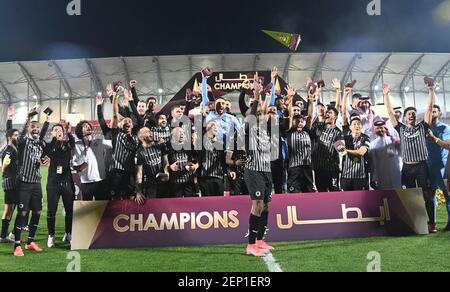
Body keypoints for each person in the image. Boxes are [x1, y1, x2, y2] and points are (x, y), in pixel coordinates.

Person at [384, 83, 436, 233]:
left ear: (416, 116)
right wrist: (386, 94)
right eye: (409, 114)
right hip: (406, 168)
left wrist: (431, 89)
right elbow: (390, 111)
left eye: (413, 113)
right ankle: (415, 224)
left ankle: (431, 223)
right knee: (410, 197)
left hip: (421, 166)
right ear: (406, 117)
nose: (411, 115)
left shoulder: (423, 126)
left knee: (426, 196)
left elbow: (429, 107)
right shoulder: (400, 128)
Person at [12, 108, 50, 257]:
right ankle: (17, 246)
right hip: (23, 183)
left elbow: (44, 157)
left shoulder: (40, 144)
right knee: (22, 213)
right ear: (29, 129)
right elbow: (20, 135)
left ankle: (30, 242)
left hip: (36, 184)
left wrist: (47, 160)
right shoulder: (23, 141)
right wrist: (28, 118)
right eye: (33, 127)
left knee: (37, 211)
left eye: (37, 127)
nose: (35, 129)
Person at [244, 79, 274, 257]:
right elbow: (255, 112)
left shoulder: (265, 131)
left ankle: (261, 240)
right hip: (253, 170)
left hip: (266, 170)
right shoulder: (248, 128)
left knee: (266, 206)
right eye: (258, 114)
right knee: (257, 205)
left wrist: (266, 95)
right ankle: (251, 245)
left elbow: (264, 110)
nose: (262, 115)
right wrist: (256, 96)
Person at [100, 88, 140, 200]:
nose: (127, 122)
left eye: (129, 122)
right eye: (124, 121)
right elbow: (114, 114)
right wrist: (114, 99)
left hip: (129, 172)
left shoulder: (136, 139)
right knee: (115, 197)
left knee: (131, 197)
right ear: (120, 124)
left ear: (132, 126)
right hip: (116, 172)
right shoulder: (117, 133)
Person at [72, 96, 112, 201]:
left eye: (89, 125)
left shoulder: (98, 141)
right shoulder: (76, 145)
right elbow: (73, 165)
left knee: (102, 210)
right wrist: (78, 167)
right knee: (88, 211)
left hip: (100, 181)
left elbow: (115, 143)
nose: (88, 127)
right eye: (85, 126)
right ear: (80, 130)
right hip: (86, 182)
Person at [44, 123, 75, 247]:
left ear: (63, 132)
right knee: (51, 211)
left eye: (59, 130)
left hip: (66, 181)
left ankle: (68, 234)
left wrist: (69, 132)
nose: (58, 131)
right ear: (52, 133)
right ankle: (51, 236)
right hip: (53, 183)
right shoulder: (50, 145)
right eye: (55, 130)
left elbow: (72, 143)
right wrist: (55, 139)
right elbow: (47, 151)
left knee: (69, 210)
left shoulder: (67, 145)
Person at [284, 84, 316, 193]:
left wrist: (311, 100)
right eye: (297, 120)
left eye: (302, 121)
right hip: (294, 169)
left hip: (307, 168)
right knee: (294, 195)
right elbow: (290, 114)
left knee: (309, 194)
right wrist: (291, 97)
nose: (300, 122)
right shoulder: (290, 131)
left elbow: (310, 116)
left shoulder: (307, 130)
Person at [426, 106, 450, 231]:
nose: (432, 113)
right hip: (429, 167)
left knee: (448, 195)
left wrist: (434, 138)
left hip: (443, 168)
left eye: (434, 111)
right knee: (430, 196)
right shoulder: (424, 128)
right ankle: (432, 224)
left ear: (440, 113)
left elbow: (448, 145)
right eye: (430, 111)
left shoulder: (445, 128)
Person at [135, 127, 168, 203]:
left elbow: (165, 162)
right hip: (150, 186)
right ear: (141, 136)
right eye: (148, 131)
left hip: (162, 182)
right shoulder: (139, 153)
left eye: (151, 131)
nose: (151, 133)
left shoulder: (160, 145)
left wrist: (167, 172)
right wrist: (138, 191)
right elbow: (139, 173)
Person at [0, 108, 19, 243]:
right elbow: (4, 166)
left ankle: (6, 234)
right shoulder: (8, 150)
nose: (17, 137)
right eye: (15, 135)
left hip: (13, 181)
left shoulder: (13, 148)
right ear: (10, 137)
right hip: (10, 182)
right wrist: (4, 168)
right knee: (8, 209)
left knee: (12, 208)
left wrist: (10, 118)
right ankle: (3, 235)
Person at [337, 116, 371, 191]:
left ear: (361, 126)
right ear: (350, 127)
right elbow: (339, 148)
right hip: (346, 176)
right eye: (354, 124)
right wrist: (340, 148)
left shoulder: (366, 138)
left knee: (360, 201)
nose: (357, 126)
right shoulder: (344, 138)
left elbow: (361, 152)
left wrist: (346, 150)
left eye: (359, 124)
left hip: (360, 177)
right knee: (346, 200)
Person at [165, 127, 199, 198]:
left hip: (189, 181)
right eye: (179, 132)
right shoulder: (168, 147)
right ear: (173, 135)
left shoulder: (189, 146)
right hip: (175, 182)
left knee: (190, 204)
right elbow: (165, 164)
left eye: (183, 132)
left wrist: (195, 166)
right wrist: (169, 167)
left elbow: (199, 160)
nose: (182, 134)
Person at [370, 118, 402, 190]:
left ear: (385, 128)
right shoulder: (373, 144)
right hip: (382, 174)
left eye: (381, 128)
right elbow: (373, 163)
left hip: (395, 172)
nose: (380, 130)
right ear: (374, 130)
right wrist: (374, 178)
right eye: (377, 128)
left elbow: (397, 155)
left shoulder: (392, 140)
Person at [199, 120, 227, 197]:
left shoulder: (220, 142)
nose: (217, 129)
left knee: (219, 204)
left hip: (218, 177)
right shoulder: (201, 141)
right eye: (215, 126)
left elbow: (224, 157)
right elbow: (197, 155)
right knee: (207, 203)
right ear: (208, 128)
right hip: (205, 178)